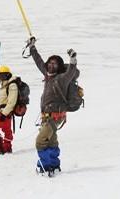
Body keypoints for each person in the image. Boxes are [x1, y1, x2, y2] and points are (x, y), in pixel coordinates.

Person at [26, 37, 79, 174]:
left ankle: (44, 166)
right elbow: (39, 62)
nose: (51, 66)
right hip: (47, 117)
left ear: (59, 67)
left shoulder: (61, 79)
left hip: (54, 117)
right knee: (51, 142)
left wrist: (73, 59)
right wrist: (32, 47)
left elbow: (71, 72)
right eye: (50, 63)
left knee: (40, 141)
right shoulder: (47, 75)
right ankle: (54, 165)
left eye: (55, 65)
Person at [0, 65, 18, 155]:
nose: (1, 78)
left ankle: (0, 149)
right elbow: (2, 81)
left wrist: (3, 114)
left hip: (5, 112)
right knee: (7, 130)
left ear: (8, 75)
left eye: (3, 76)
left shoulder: (12, 85)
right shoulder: (6, 83)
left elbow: (12, 102)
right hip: (4, 112)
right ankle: (7, 148)